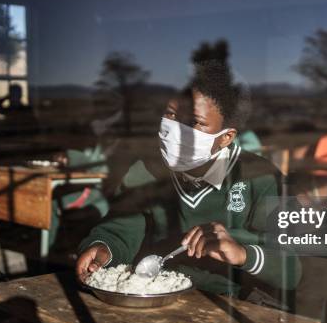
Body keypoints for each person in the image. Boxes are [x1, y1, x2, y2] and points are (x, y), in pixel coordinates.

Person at [75, 62, 301, 298]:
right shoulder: (146, 170)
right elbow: (121, 229)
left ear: (225, 138)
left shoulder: (262, 178)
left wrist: (242, 253)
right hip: (162, 294)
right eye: (171, 114)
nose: (175, 129)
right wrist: (103, 249)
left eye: (194, 122)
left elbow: (292, 269)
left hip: (234, 305)